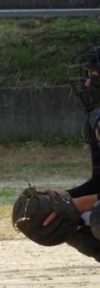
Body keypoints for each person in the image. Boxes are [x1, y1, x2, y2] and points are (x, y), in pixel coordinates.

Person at [39, 40, 100, 262]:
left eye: (93, 76)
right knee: (62, 219)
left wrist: (76, 205)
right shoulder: (97, 120)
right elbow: (99, 182)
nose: (87, 83)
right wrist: (64, 198)